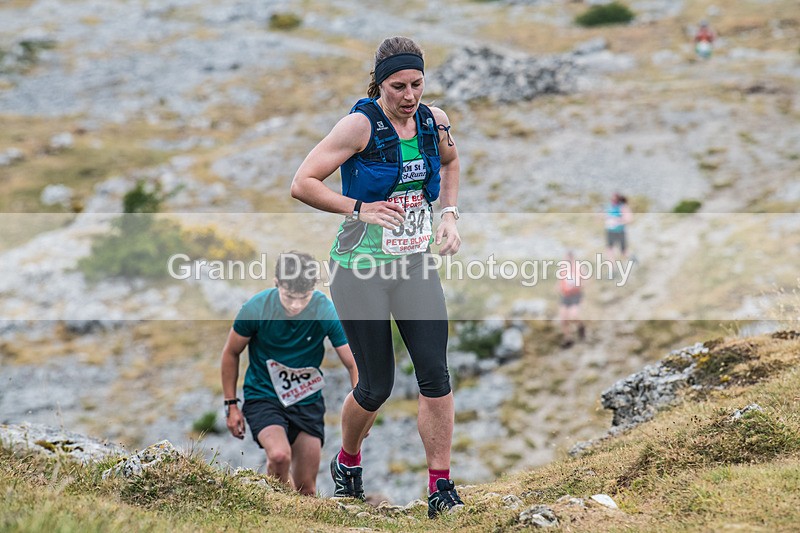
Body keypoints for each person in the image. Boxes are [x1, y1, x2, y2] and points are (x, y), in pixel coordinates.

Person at [290, 36, 464, 518]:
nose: (409, 96)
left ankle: (441, 488)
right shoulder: (358, 126)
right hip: (359, 270)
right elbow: (301, 183)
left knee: (436, 374)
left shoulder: (436, 122)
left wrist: (449, 216)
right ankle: (347, 463)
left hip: (414, 264)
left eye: (416, 84)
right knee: (375, 386)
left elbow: (450, 163)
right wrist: (360, 208)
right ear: (379, 83)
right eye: (397, 86)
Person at [220, 251, 358, 496]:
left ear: (313, 289)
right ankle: (275, 511)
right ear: (277, 284)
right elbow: (231, 352)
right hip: (263, 397)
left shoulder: (323, 308)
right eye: (289, 296)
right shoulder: (256, 308)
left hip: (307, 401)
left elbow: (353, 362)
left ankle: (295, 518)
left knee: (307, 489)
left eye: (303, 297)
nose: (296, 305)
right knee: (279, 456)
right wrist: (231, 405)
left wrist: (362, 410)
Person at [558, 251, 586, 349]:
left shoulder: (579, 268)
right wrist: (560, 288)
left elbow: (584, 283)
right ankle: (568, 339)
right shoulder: (563, 269)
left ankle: (581, 326)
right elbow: (560, 282)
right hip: (565, 296)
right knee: (563, 318)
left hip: (575, 295)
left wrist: (576, 287)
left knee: (574, 315)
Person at [604, 192, 633, 266]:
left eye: (614, 199)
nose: (612, 201)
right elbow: (606, 216)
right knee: (609, 250)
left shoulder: (622, 207)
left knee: (624, 252)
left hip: (620, 231)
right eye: (611, 199)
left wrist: (618, 220)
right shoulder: (609, 206)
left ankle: (634, 260)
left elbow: (629, 219)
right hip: (610, 231)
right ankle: (612, 270)